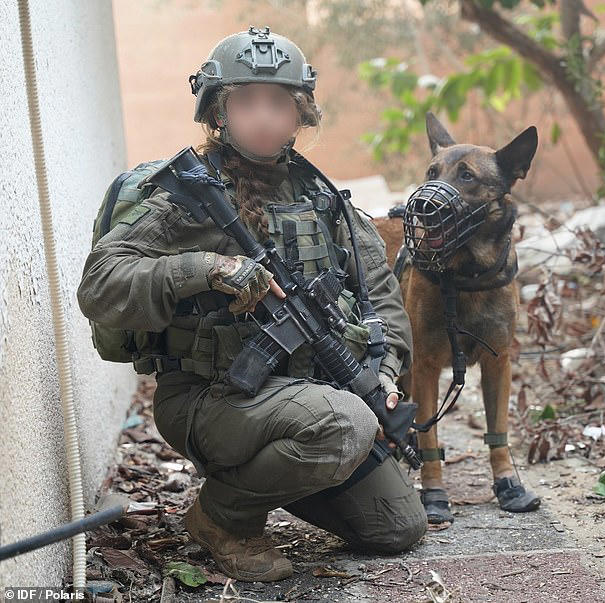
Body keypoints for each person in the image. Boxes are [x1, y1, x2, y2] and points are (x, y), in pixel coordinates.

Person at [77, 26, 426, 583]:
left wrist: (384, 370)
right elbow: (100, 285)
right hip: (208, 396)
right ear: (218, 111)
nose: (263, 117)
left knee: (397, 526)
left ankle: (277, 470)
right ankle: (222, 518)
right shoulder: (184, 196)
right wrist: (207, 269)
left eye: (278, 104)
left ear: (300, 115)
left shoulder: (322, 197)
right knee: (345, 426)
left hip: (311, 398)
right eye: (245, 102)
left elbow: (380, 293)